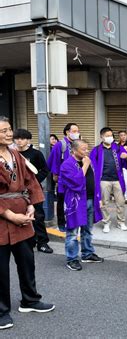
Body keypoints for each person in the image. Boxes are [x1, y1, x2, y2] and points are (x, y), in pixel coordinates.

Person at [0, 116, 55, 331]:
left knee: (26, 262)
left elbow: (31, 181)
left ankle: (30, 300)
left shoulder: (17, 155)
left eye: (9, 129)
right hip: (3, 219)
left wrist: (32, 204)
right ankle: (1, 311)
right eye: (3, 130)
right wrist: (10, 215)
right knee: (1, 268)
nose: (8, 133)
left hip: (23, 217)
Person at [60, 140, 104, 271]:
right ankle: (72, 259)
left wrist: (98, 197)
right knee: (73, 232)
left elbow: (95, 181)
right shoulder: (67, 164)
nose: (86, 151)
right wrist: (85, 166)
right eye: (83, 149)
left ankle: (87, 253)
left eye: (87, 149)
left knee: (88, 229)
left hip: (90, 199)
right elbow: (76, 182)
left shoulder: (88, 161)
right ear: (74, 150)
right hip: (75, 202)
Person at [13, 129, 53, 254]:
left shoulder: (36, 154)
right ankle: (27, 240)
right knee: (19, 216)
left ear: (28, 140)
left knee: (38, 216)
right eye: (17, 138)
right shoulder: (11, 153)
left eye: (22, 138)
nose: (19, 141)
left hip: (33, 189)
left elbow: (45, 169)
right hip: (16, 191)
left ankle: (42, 242)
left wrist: (34, 181)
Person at [90, 127, 127, 233]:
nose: (110, 137)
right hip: (103, 179)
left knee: (121, 202)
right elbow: (92, 164)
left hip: (117, 179)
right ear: (102, 137)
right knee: (104, 203)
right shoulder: (97, 150)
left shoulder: (117, 148)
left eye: (111, 135)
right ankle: (106, 222)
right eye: (107, 136)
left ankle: (121, 222)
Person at [47, 123, 81, 232]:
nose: (77, 133)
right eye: (74, 131)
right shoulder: (60, 145)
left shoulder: (77, 144)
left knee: (75, 200)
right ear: (67, 132)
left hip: (75, 178)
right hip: (63, 179)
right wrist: (55, 175)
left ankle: (74, 221)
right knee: (61, 202)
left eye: (77, 131)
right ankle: (61, 223)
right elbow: (54, 161)